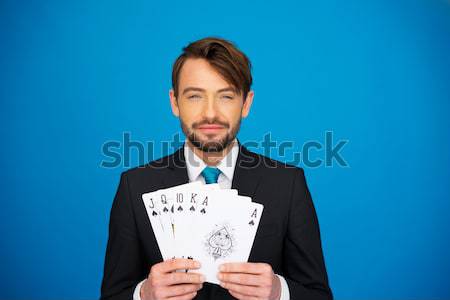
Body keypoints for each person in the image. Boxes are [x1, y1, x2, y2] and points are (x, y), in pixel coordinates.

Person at [100, 37, 332, 300]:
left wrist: (280, 292)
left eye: (226, 96)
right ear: (175, 102)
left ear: (246, 104)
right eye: (195, 96)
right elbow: (112, 295)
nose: (210, 113)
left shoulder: (288, 185)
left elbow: (320, 295)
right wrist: (144, 294)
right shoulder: (135, 188)